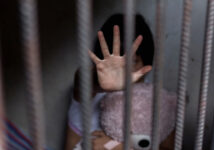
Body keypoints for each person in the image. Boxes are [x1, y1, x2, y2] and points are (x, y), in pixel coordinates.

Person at [65, 14, 174, 150]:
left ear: (146, 64)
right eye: (115, 61)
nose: (123, 69)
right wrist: (100, 78)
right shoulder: (90, 93)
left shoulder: (155, 101)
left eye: (132, 61)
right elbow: (82, 78)